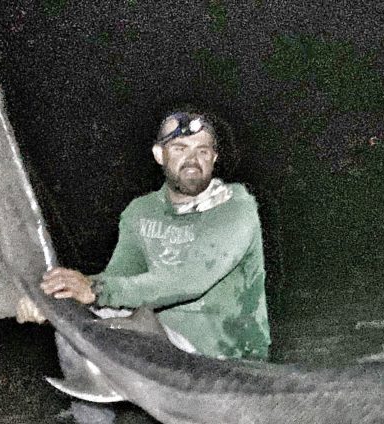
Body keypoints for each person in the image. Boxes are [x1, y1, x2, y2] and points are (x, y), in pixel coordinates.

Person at [20, 110, 271, 361]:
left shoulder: (237, 207)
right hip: (160, 345)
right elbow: (119, 278)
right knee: (78, 316)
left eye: (202, 151)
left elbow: (188, 279)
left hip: (229, 360)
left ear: (214, 158)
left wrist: (94, 289)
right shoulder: (141, 211)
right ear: (159, 155)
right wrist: (53, 298)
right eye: (180, 148)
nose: (193, 159)